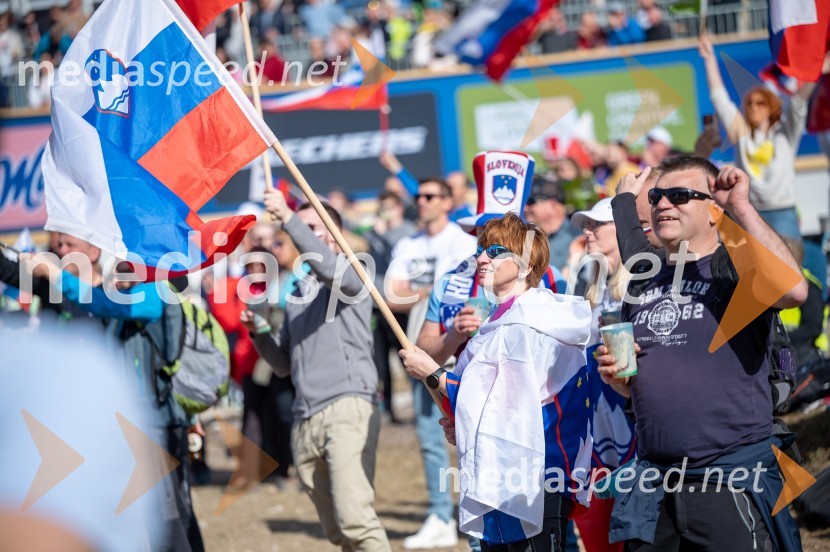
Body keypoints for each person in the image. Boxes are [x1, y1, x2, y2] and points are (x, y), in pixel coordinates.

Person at [597, 157, 807, 551]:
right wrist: (622, 383)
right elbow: (637, 384)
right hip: (654, 484)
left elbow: (794, 291)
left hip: (729, 480)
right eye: (658, 196)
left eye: (679, 196)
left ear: (714, 210)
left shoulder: (736, 267)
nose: (662, 205)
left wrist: (740, 207)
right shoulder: (645, 278)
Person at [400, 212, 594, 551]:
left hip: (534, 475)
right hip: (505, 472)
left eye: (495, 251)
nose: (481, 258)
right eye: (480, 249)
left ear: (527, 264)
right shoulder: (500, 319)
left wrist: (431, 371)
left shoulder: (530, 322)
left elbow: (496, 402)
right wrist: (463, 423)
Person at [245, 190, 391, 552]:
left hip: (347, 408)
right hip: (305, 418)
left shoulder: (354, 269)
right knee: (340, 532)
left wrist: (289, 219)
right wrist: (259, 331)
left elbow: (329, 267)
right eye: (298, 228)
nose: (295, 236)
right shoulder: (297, 291)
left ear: (331, 232)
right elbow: (282, 365)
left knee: (357, 522)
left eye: (310, 227)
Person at [386, 178, 476, 549]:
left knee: (472, 436)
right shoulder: (407, 244)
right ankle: (440, 514)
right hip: (420, 350)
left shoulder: (463, 240)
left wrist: (419, 289)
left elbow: (467, 288)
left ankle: (474, 511)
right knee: (429, 436)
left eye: (430, 196)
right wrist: (433, 288)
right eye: (418, 196)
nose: (422, 201)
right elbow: (392, 295)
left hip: (462, 352)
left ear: (447, 200)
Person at [699, 34, 817, 239]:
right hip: (749, 212)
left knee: (790, 267)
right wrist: (709, 59)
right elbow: (720, 99)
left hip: (783, 213)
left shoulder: (785, 134)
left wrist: (814, 72)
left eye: (761, 103)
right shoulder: (742, 134)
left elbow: (799, 102)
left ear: (772, 107)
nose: (754, 107)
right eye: (750, 103)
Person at [569, 198, 636, 552]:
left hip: (631, 417)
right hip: (594, 422)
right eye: (586, 225)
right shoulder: (589, 284)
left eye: (597, 225)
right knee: (595, 522)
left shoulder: (642, 283)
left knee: (637, 520)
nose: (588, 232)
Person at [524, 176, 581, 273]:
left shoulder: (579, 237)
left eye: (530, 202)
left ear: (552, 204)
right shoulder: (525, 237)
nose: (525, 208)